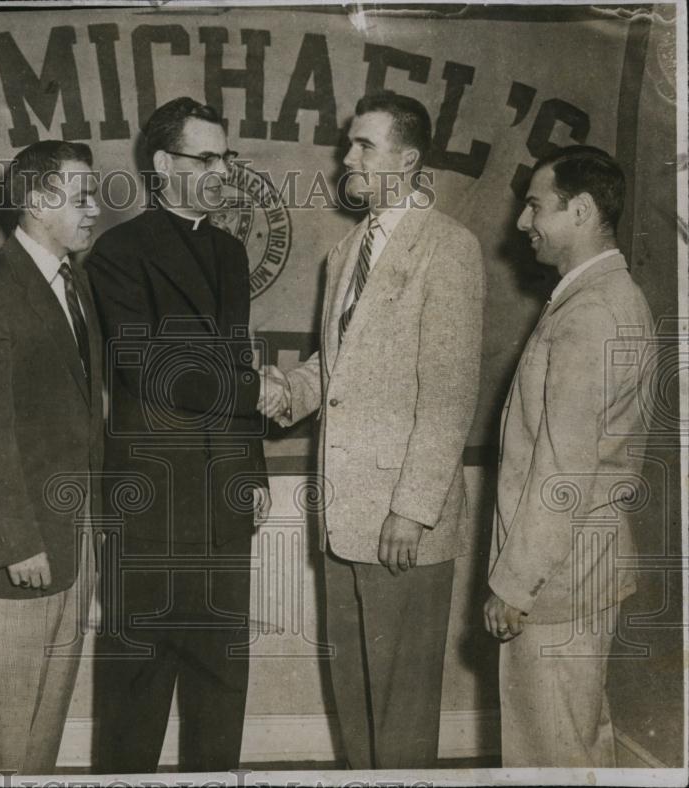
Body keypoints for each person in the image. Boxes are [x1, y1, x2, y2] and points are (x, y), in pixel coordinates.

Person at [262, 91, 484, 769]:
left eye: (364, 145)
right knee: (353, 695)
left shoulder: (449, 248)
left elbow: (449, 393)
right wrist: (280, 392)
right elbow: (340, 361)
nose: (346, 158)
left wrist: (412, 511)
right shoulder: (345, 251)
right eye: (348, 145)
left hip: (401, 523)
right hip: (343, 520)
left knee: (401, 706)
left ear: (408, 160)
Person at [85, 97, 274, 773]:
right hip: (154, 512)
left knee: (221, 693)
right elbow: (157, 371)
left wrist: (251, 471)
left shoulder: (227, 250)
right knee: (135, 699)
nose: (223, 170)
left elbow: (236, 357)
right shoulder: (118, 252)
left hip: (222, 504)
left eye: (227, 156)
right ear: (164, 165)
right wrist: (260, 394)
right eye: (206, 157)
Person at [484, 145, 654, 767]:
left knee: (547, 756)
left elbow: (561, 470)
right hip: (582, 571)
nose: (524, 223)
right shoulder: (606, 298)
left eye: (535, 207)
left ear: (580, 211)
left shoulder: (592, 314)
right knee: (576, 746)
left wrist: (515, 584)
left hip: (558, 580)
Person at [0, 140, 104, 775]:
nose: (95, 209)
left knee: (41, 727)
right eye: (82, 195)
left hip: (69, 542)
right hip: (20, 551)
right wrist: (16, 542)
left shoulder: (74, 283)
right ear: (37, 202)